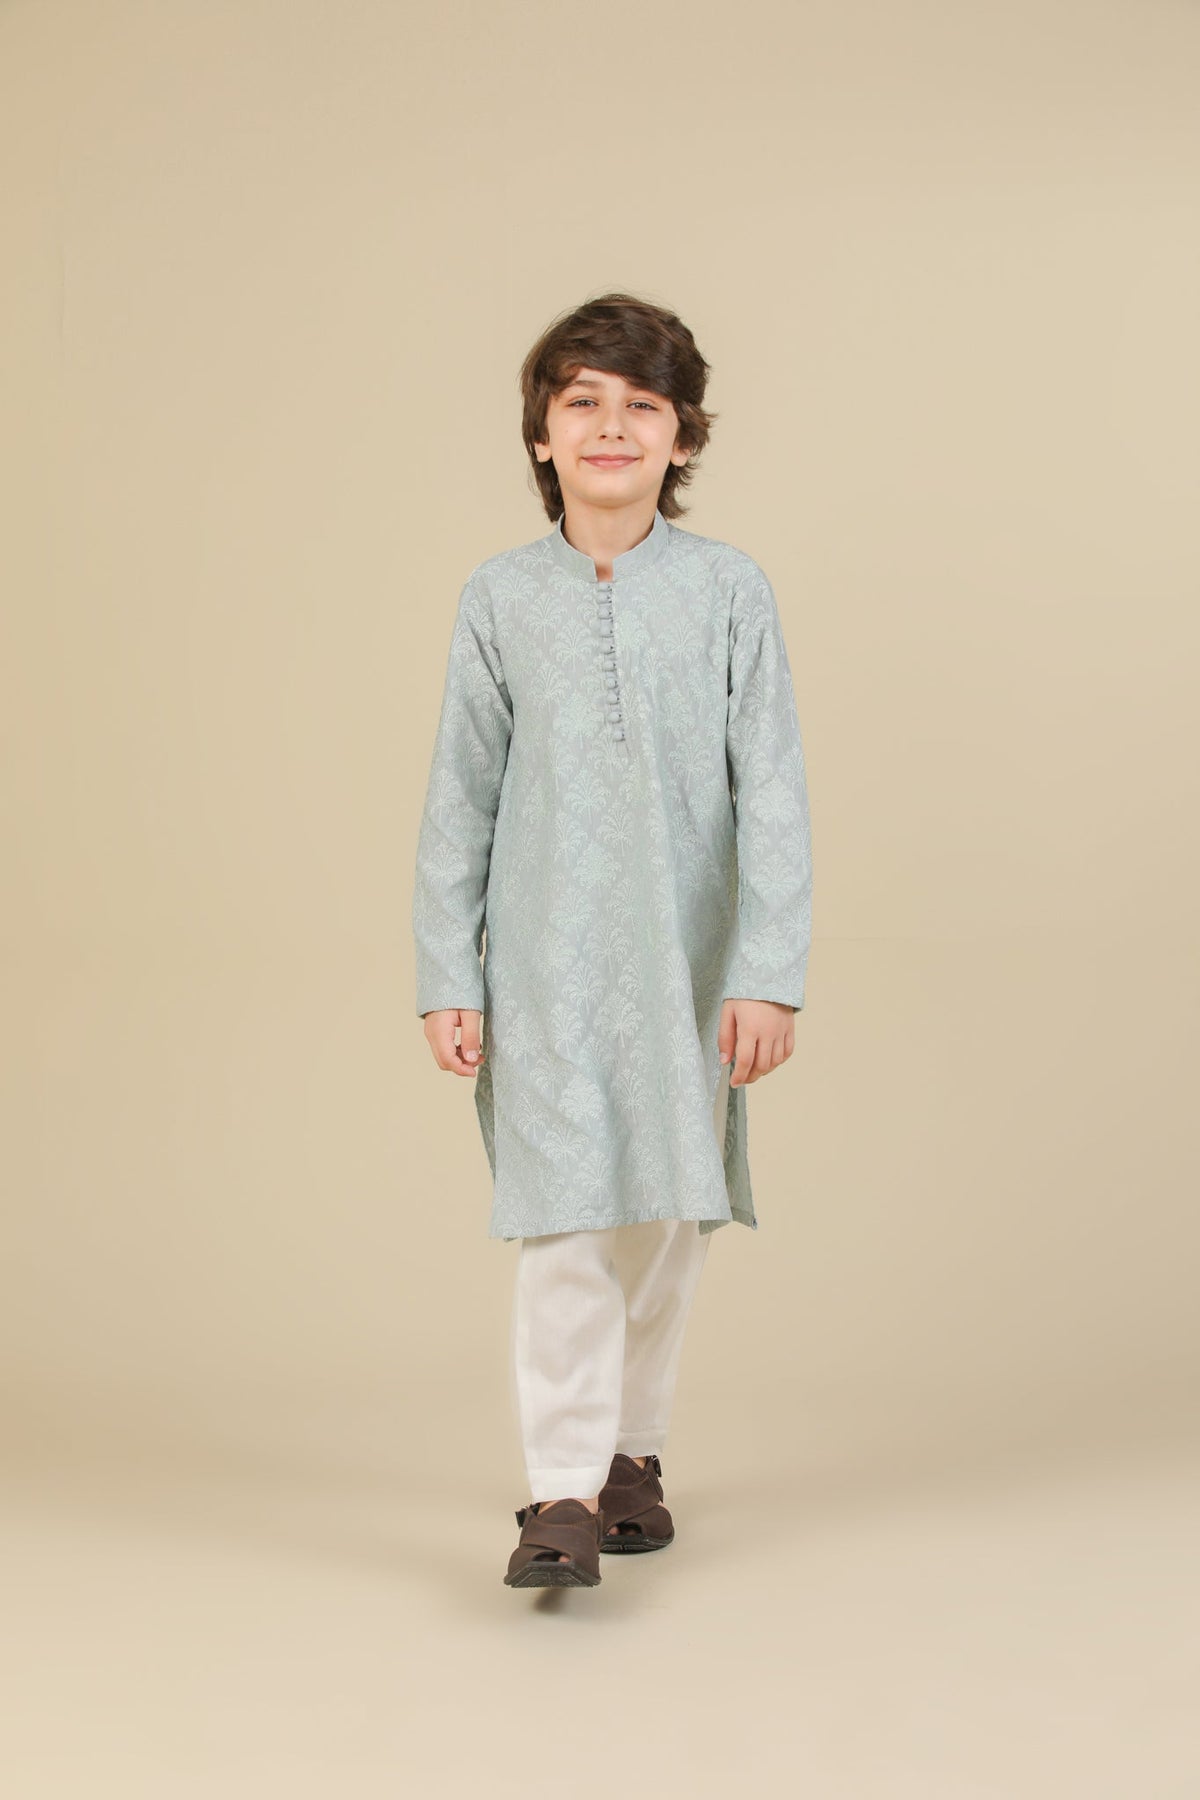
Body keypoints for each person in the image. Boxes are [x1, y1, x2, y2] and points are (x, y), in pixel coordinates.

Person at [412, 292, 813, 1589]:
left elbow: (775, 793)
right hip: (542, 971)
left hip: (689, 968)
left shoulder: (729, 590)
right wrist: (448, 972)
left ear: (682, 437)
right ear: (541, 433)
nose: (610, 426)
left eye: (643, 405)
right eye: (581, 399)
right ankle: (561, 1494)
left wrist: (767, 972)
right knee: (567, 1223)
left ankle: (632, 1454)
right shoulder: (499, 598)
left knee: (665, 1224)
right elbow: (460, 798)